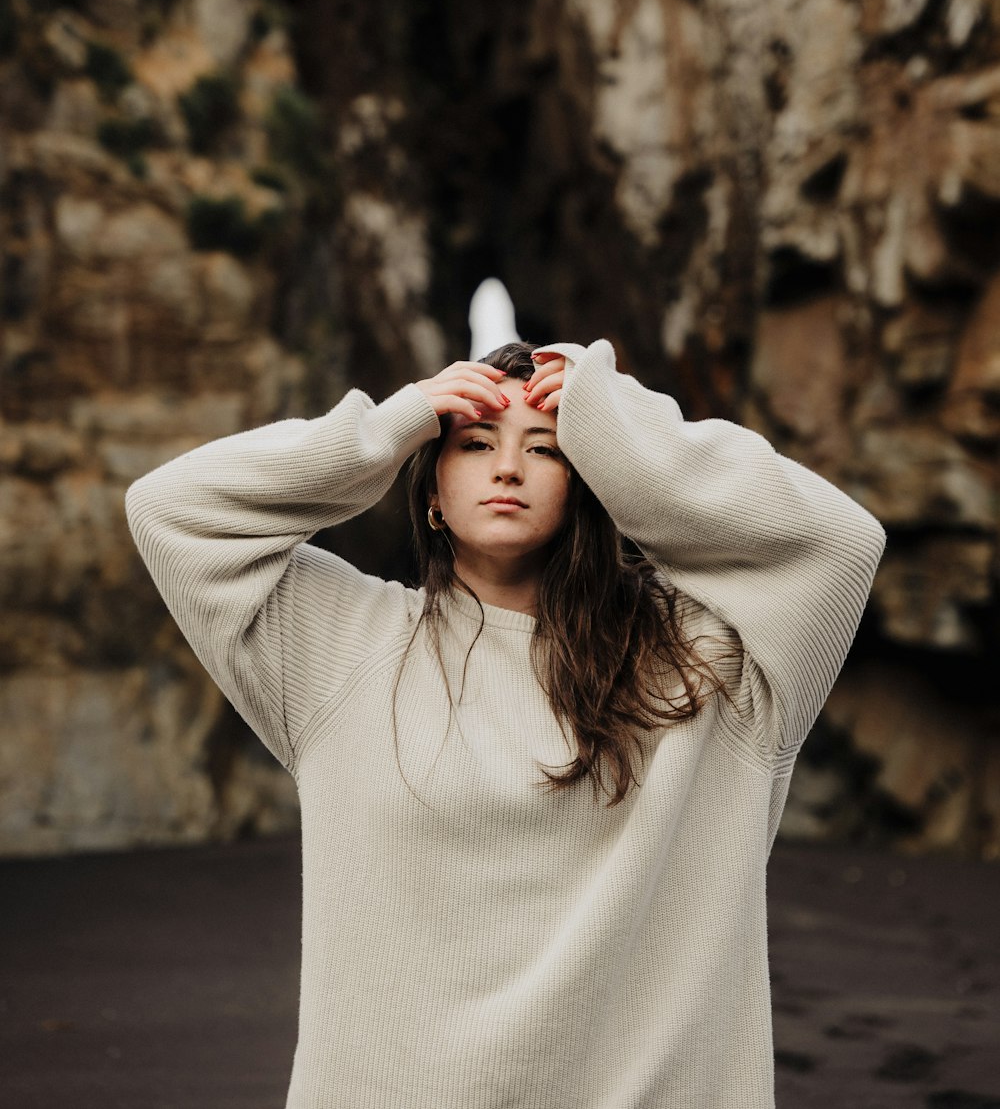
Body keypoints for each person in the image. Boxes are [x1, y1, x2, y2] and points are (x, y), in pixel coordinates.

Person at [124, 336, 886, 1109]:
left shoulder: (703, 662)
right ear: (431, 488)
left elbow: (841, 546)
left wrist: (622, 428)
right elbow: (170, 510)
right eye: (476, 442)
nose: (508, 468)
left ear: (592, 482)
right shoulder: (338, 644)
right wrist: (386, 431)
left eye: (548, 449)